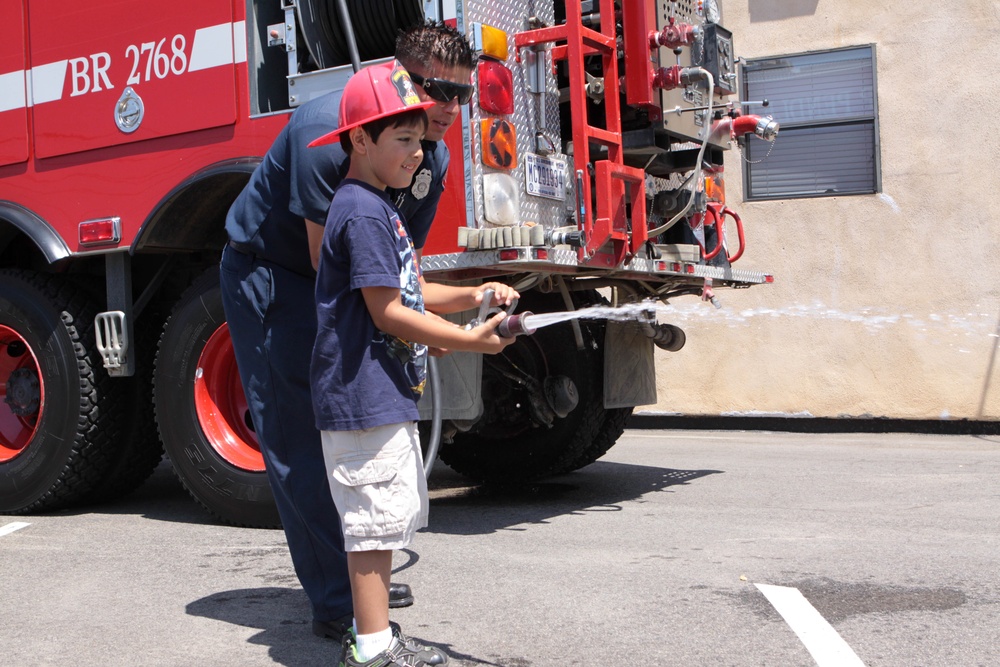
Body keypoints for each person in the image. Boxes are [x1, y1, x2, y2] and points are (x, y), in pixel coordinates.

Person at [219, 21, 492, 647]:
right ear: (400, 77)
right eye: (435, 91)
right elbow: (331, 273)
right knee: (300, 431)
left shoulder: (431, 154)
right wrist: (415, 328)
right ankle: (341, 606)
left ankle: (357, 575)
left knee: (360, 436)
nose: (450, 110)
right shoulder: (328, 137)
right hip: (275, 274)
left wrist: (434, 324)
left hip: (346, 278)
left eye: (462, 96)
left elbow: (399, 269)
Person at [307, 59, 516, 667]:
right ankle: (372, 648)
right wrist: (471, 340)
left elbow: (411, 288)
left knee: (384, 518)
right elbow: (388, 312)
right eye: (402, 140)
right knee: (372, 527)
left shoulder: (376, 206)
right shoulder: (364, 211)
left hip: (376, 393)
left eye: (421, 142)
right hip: (362, 396)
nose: (417, 155)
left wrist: (476, 296)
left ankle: (376, 638)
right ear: (359, 139)